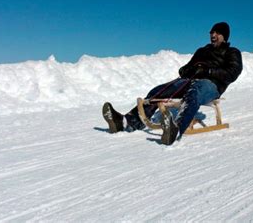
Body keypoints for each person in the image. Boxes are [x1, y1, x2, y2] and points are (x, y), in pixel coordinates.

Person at [102, 22, 243, 145]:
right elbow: (186, 68)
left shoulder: (232, 52)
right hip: (189, 81)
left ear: (224, 36)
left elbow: (232, 73)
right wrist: (186, 69)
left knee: (195, 92)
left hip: (212, 85)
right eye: (212, 32)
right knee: (158, 91)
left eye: (217, 33)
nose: (213, 35)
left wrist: (209, 71)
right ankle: (128, 121)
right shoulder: (202, 51)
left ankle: (175, 129)